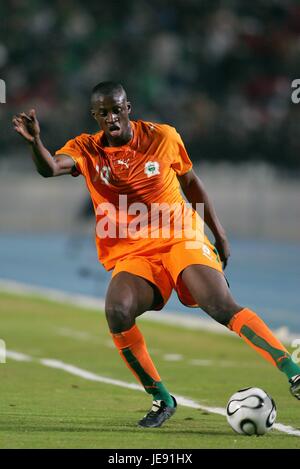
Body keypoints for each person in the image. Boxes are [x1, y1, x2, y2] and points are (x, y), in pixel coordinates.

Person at [13, 81, 300, 428]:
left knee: (219, 304)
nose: (112, 118)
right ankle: (161, 398)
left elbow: (190, 182)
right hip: (134, 250)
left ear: (128, 108)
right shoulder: (85, 148)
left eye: (117, 110)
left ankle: (293, 371)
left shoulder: (163, 138)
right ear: (95, 116)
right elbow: (50, 167)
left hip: (180, 235)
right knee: (116, 311)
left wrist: (218, 231)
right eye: (103, 113)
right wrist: (35, 144)